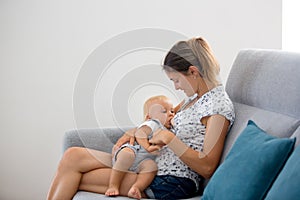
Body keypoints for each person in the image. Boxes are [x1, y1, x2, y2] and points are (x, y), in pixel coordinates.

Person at [47, 37, 235, 200]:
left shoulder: (217, 107)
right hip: (150, 161)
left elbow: (208, 166)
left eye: (176, 80)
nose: (176, 87)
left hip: (170, 179)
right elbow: (161, 121)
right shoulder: (193, 98)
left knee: (75, 176)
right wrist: (135, 132)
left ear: (193, 72)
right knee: (72, 156)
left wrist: (169, 139)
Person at [105, 95, 174, 199]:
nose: (171, 114)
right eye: (164, 111)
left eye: (172, 111)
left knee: (151, 167)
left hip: (142, 163)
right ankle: (113, 185)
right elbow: (140, 133)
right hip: (134, 150)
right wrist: (147, 146)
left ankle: (136, 187)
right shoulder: (154, 123)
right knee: (127, 155)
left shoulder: (169, 129)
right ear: (149, 117)